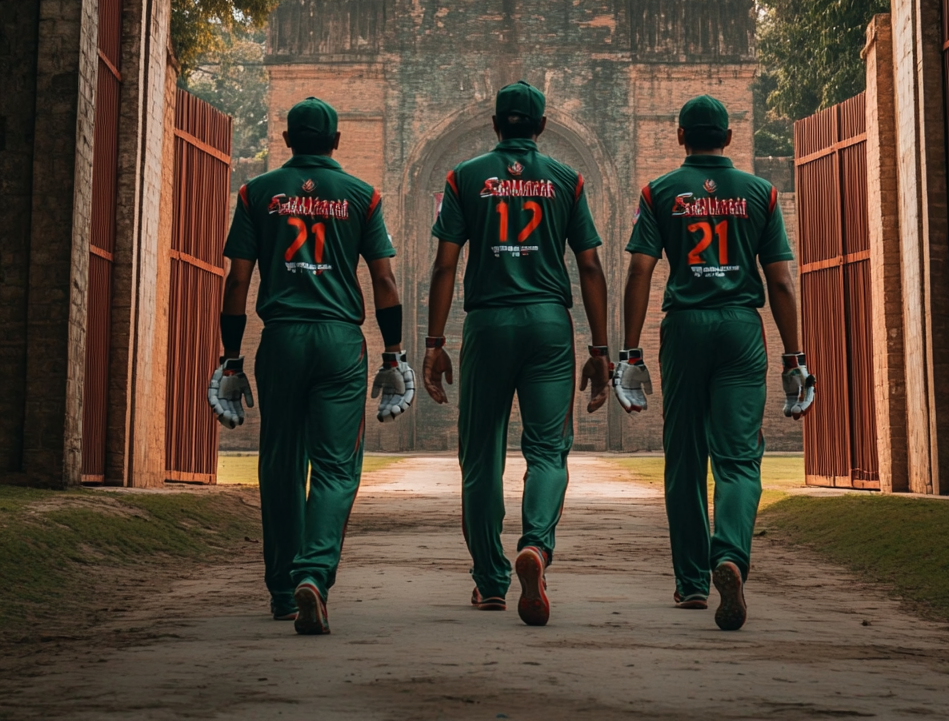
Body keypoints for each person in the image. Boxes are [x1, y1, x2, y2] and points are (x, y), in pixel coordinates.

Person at [208, 96, 415, 636]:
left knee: (279, 461)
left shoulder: (258, 193)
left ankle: (281, 590)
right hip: (341, 341)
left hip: (281, 337)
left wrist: (231, 358)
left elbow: (236, 281)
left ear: (286, 140)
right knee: (336, 465)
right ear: (337, 142)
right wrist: (393, 352)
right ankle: (314, 574)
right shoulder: (362, 196)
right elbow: (385, 282)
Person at [613, 94, 813, 631]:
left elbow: (639, 274)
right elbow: (780, 282)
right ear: (727, 138)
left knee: (684, 458)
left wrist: (630, 351)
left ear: (681, 136)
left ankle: (691, 584)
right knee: (740, 457)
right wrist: (795, 358)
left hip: (685, 327)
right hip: (741, 328)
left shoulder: (660, 192)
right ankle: (730, 555)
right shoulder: (760, 194)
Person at [422, 81, 611, 626]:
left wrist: (435, 344)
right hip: (550, 325)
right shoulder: (566, 181)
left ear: (495, 124)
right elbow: (591, 267)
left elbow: (444, 266)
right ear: (543, 127)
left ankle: (489, 581)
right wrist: (600, 350)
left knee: (481, 456)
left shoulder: (465, 177)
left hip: (488, 322)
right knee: (549, 450)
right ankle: (535, 547)